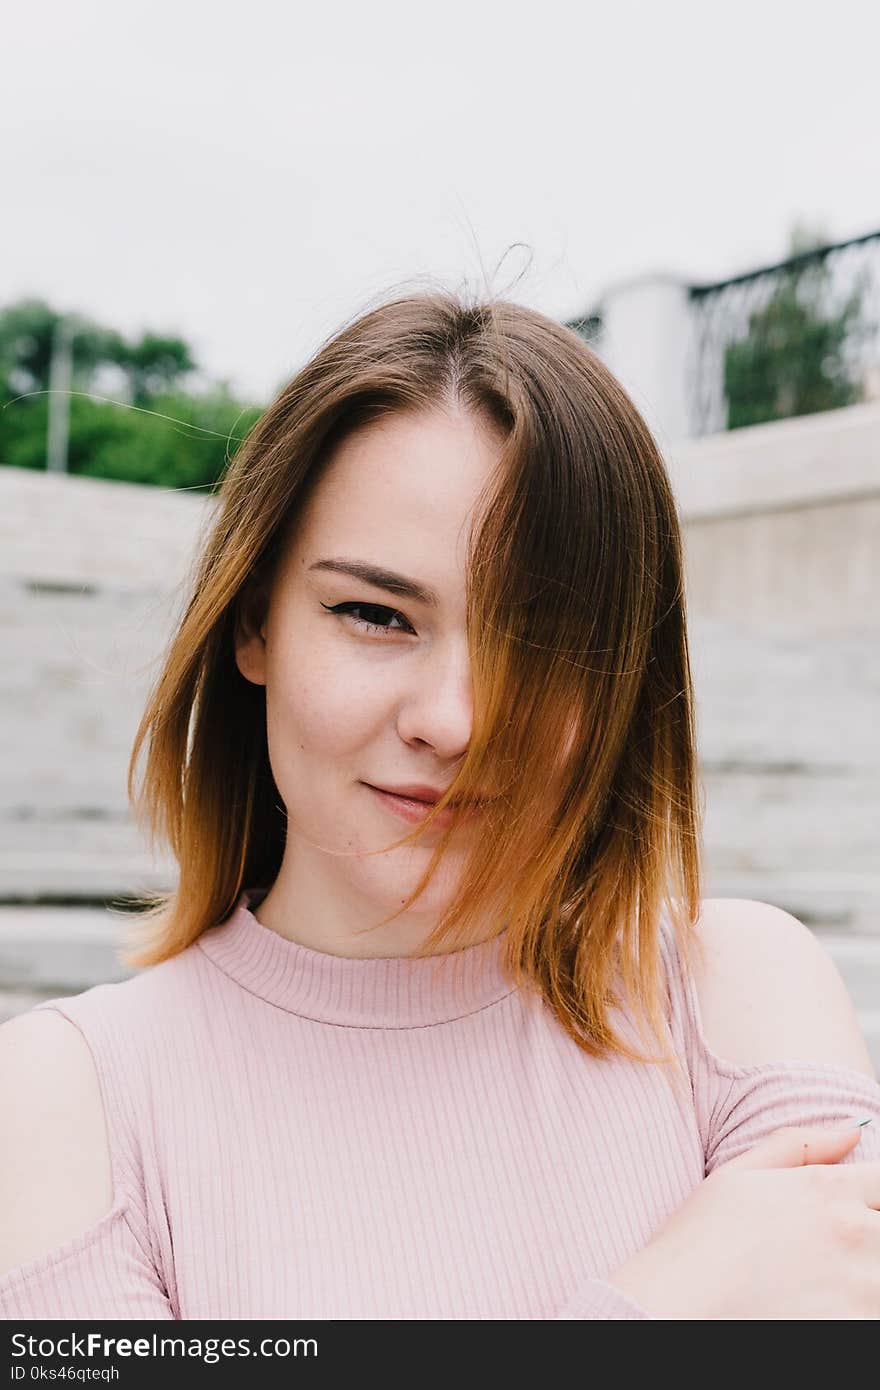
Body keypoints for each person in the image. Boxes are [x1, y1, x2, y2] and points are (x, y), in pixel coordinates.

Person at [1, 291, 879, 1322]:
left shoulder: (731, 993)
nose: (457, 719)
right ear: (254, 626)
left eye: (541, 637)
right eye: (374, 614)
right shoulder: (65, 1101)